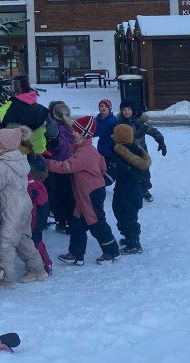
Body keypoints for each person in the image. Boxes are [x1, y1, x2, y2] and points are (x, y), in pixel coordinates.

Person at [46, 115, 120, 265]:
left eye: (76, 132)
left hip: (91, 193)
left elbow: (66, 167)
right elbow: (102, 165)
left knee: (96, 222)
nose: (73, 133)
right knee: (77, 223)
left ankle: (112, 251)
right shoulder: (88, 149)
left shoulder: (84, 152)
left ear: (84, 134)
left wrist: (47, 163)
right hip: (84, 194)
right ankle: (76, 254)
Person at [0, 128, 48, 289]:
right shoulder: (20, 159)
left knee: (5, 242)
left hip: (13, 208)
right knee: (23, 239)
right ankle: (37, 269)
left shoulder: (3, 165)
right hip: (24, 204)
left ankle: (7, 279)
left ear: (2, 145)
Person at [109, 123, 151, 254]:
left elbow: (113, 172)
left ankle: (133, 243)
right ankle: (131, 238)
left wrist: (101, 179)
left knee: (124, 214)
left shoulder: (121, 154)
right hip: (136, 189)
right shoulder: (136, 150)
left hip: (126, 190)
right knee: (130, 214)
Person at [117, 100, 166, 202]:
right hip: (125, 153)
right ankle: (126, 189)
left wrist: (161, 141)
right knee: (126, 172)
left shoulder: (140, 122)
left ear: (133, 110)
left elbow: (153, 131)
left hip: (141, 153)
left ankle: (145, 190)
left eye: (129, 109)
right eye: (124, 109)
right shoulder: (119, 123)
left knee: (144, 172)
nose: (126, 112)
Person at [0, 75, 49, 154]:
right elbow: (53, 134)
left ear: (13, 91)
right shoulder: (43, 111)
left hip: (12, 159)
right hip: (39, 158)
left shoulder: (2, 111)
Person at [46, 102, 76, 233]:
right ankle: (70, 221)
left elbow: (56, 146)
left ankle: (62, 220)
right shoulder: (72, 128)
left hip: (57, 166)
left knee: (58, 194)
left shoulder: (54, 130)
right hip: (71, 165)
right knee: (70, 195)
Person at [27, 154, 52, 275]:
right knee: (35, 239)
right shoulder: (37, 181)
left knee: (35, 240)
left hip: (35, 218)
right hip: (39, 215)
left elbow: (34, 198)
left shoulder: (31, 183)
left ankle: (45, 263)